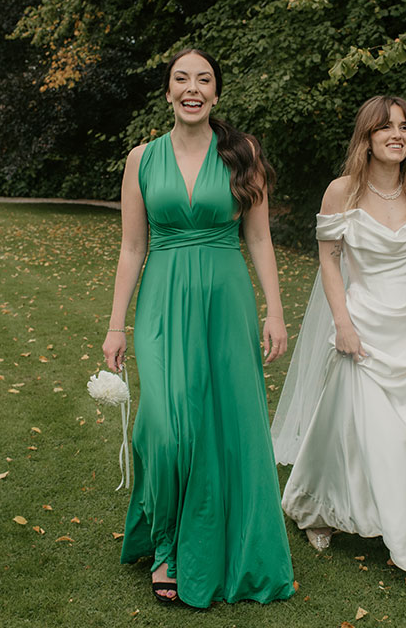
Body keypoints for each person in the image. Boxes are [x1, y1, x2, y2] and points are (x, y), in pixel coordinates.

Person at [100, 49, 294, 607]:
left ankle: (207, 546)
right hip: (162, 301)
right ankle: (165, 543)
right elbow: (132, 245)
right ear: (167, 92)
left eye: (203, 80)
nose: (192, 88)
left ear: (215, 93)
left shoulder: (242, 153)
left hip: (225, 301)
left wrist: (274, 310)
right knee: (164, 427)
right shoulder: (142, 159)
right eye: (181, 79)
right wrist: (117, 326)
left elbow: (257, 237)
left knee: (224, 425)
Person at [272, 96, 406, 602]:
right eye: (385, 127)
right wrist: (343, 322)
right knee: (348, 430)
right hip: (364, 328)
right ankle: (319, 510)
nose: (397, 135)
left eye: (405, 128)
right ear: (367, 137)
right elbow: (330, 262)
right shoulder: (342, 192)